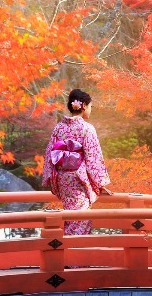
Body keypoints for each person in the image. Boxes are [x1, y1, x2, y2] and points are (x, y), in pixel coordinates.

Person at [42, 88, 112, 235]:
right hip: (79, 179)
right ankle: (76, 253)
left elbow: (50, 155)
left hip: (63, 178)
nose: (91, 110)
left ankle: (70, 251)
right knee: (81, 218)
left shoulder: (58, 128)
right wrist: (101, 183)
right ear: (84, 106)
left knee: (70, 216)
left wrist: (50, 178)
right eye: (91, 107)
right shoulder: (87, 129)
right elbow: (94, 158)